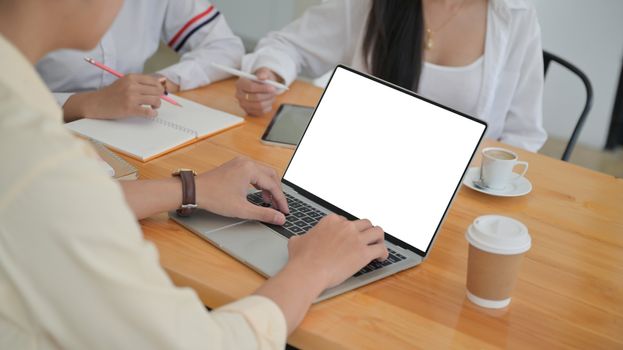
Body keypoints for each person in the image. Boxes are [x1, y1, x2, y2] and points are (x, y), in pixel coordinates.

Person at [0, 0, 388, 348]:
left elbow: (70, 203)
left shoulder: (23, 130)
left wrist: (191, 188)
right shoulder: (37, 157)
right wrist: (313, 268)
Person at [236, 0, 548, 152]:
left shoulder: (516, 16)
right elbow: (288, 45)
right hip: (356, 166)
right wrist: (268, 73)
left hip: (458, 194)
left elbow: (523, 135)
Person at [36, 0, 245, 122]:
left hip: (126, 126)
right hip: (39, 128)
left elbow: (225, 47)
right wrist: (87, 104)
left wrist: (159, 83)